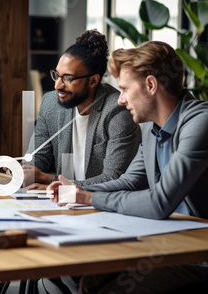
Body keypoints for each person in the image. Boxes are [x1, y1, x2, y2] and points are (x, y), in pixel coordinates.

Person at [47, 41, 208, 293]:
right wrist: (75, 191)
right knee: (85, 279)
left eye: (124, 89)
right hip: (167, 241)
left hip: (199, 254)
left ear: (151, 85)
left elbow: (159, 202)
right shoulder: (151, 129)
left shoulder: (200, 123)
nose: (120, 100)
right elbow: (129, 181)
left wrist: (89, 197)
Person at [22, 29, 141, 190]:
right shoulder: (51, 103)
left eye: (68, 79)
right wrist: (24, 172)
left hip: (103, 207)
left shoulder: (117, 111)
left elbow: (114, 178)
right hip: (59, 205)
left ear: (93, 81)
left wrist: (52, 181)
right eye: (57, 75)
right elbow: (36, 160)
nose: (57, 85)